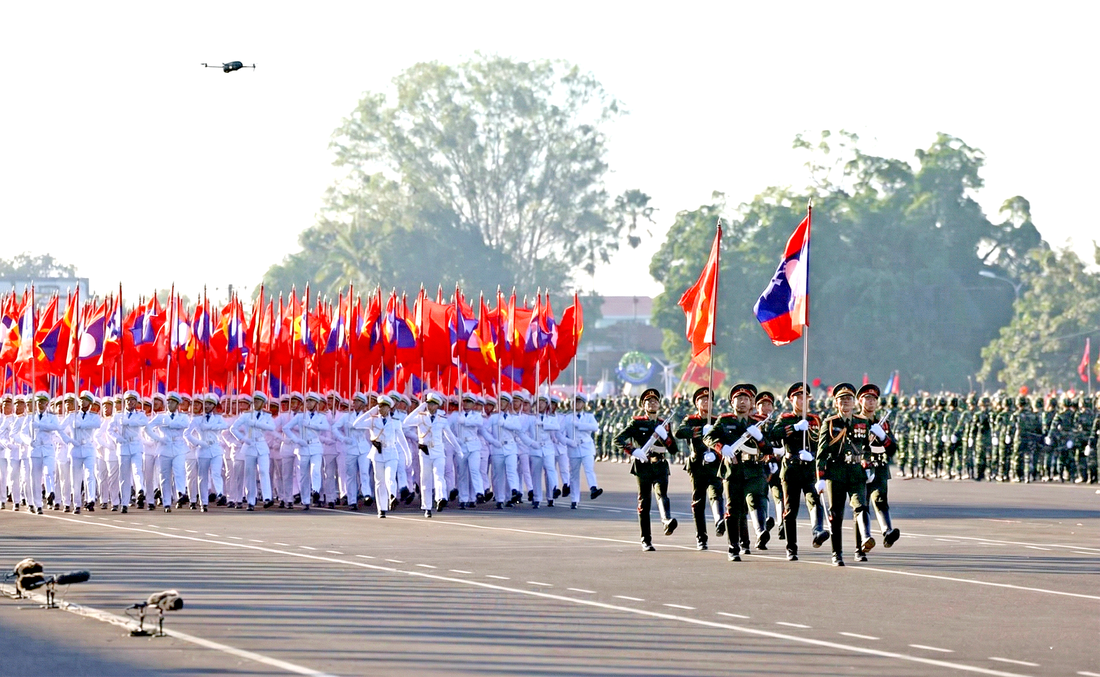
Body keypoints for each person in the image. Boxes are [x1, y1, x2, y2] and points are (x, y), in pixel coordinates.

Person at [704, 384, 772, 561]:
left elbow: (769, 448)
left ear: (751, 403)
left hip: (755, 470)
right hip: (733, 470)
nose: (742, 402)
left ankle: (760, 530)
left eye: (746, 399)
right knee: (733, 510)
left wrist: (759, 438)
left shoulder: (758, 422)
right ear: (731, 403)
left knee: (756, 500)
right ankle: (733, 547)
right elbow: (708, 437)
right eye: (738, 399)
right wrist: (721, 447)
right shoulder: (725, 421)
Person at [766, 382, 829, 561]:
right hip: (791, 468)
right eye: (798, 397)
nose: (802, 400)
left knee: (815, 500)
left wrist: (814, 455)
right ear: (791, 399)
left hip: (810, 467)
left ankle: (817, 531)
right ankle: (791, 547)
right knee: (790, 509)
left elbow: (821, 443)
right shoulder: (785, 418)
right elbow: (773, 435)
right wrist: (794, 428)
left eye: (805, 397)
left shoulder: (815, 420)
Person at [816, 383, 876, 566]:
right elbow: (822, 452)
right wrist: (821, 477)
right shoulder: (830, 423)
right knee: (836, 514)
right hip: (837, 472)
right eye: (842, 400)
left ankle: (863, 543)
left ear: (854, 402)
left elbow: (867, 448)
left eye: (849, 399)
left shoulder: (863, 422)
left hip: (856, 471)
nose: (846, 402)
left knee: (861, 507)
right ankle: (837, 553)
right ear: (836, 403)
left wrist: (868, 466)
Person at [614, 388, 678, 552]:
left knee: (662, 494)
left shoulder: (664, 424)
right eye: (649, 402)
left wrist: (665, 437)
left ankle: (666, 520)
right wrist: (633, 451)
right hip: (643, 465)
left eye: (655, 401)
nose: (652, 404)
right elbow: (618, 439)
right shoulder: (637, 423)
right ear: (643, 405)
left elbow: (673, 450)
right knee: (645, 502)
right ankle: (646, 540)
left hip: (661, 464)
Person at [853, 384, 901, 562]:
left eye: (873, 399)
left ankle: (887, 531)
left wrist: (883, 437)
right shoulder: (855, 421)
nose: (871, 402)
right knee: (861, 506)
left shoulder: (883, 423)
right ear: (860, 401)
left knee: (880, 499)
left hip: (880, 467)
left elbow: (892, 449)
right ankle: (861, 546)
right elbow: (852, 447)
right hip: (860, 467)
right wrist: (864, 460)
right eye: (867, 398)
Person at [675, 387, 724, 551]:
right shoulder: (690, 420)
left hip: (715, 463)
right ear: (696, 403)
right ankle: (701, 537)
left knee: (716, 492)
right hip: (697, 465)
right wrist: (699, 431)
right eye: (702, 400)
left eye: (709, 400)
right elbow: (679, 432)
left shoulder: (717, 420)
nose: (706, 402)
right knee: (699, 501)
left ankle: (719, 520)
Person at [404, 392, 457, 517]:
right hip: (425, 452)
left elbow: (449, 435)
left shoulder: (442, 419)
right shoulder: (421, 417)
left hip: (438, 451)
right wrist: (420, 407)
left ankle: (440, 498)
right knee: (426, 479)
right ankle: (427, 506)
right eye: (428, 403)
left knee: (439, 476)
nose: (430, 406)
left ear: (437, 405)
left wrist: (458, 448)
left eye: (433, 404)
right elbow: (406, 422)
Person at [145, 392, 191, 512]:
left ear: (177, 404)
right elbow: (147, 427)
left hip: (178, 447)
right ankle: (166, 502)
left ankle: (181, 493)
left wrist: (168, 424)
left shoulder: (183, 416)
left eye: (172, 402)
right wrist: (158, 438)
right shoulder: (161, 417)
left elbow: (185, 424)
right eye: (168, 402)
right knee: (164, 476)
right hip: (164, 447)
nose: (169, 404)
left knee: (179, 470)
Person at [563, 393, 602, 510]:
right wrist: (569, 442)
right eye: (575, 402)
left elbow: (595, 427)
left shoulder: (589, 416)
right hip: (574, 448)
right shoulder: (567, 418)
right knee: (574, 475)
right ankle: (574, 499)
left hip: (586, 447)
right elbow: (560, 436)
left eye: (579, 402)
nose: (577, 404)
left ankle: (593, 488)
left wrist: (579, 425)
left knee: (589, 469)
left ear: (583, 404)